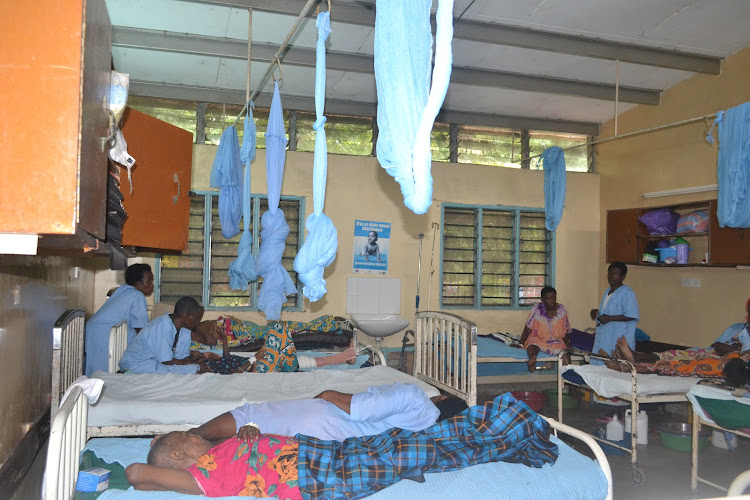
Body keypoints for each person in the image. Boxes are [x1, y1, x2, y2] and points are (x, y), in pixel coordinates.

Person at [126, 392, 555, 498]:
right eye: (187, 437)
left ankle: (502, 423)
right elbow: (137, 475)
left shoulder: (219, 452)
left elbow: (241, 441)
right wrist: (159, 457)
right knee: (414, 452)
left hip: (318, 452)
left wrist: (250, 433)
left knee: (399, 441)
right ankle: (513, 433)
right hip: (315, 476)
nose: (195, 433)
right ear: (180, 456)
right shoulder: (205, 475)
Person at [178, 383, 455, 443]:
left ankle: (191, 437)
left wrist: (329, 394)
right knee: (252, 435)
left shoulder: (416, 396)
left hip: (326, 419)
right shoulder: (427, 429)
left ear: (441, 397)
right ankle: (200, 443)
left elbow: (363, 408)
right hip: (333, 440)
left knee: (253, 414)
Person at [84, 263, 154, 376]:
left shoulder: (125, 290)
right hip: (104, 332)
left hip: (97, 329)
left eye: (152, 281)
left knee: (97, 368)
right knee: (102, 371)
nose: (152, 285)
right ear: (137, 283)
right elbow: (142, 330)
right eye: (148, 281)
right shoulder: (137, 296)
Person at [601, 336, 750, 387]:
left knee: (678, 366)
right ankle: (632, 359)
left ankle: (627, 367)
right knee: (679, 356)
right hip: (723, 359)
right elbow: (718, 346)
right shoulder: (741, 332)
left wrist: (735, 353)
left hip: (729, 367)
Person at [119, 297, 208, 374]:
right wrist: (194, 365)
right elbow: (166, 361)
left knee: (195, 370)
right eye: (196, 320)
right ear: (185, 315)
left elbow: (183, 357)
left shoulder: (185, 330)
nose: (197, 323)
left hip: (157, 363)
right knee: (193, 370)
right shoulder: (163, 325)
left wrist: (195, 361)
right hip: (138, 363)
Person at [590, 261, 639, 366]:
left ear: (623, 276)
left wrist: (609, 318)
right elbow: (606, 312)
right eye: (610, 273)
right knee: (600, 365)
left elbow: (631, 315)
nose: (612, 276)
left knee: (616, 366)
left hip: (618, 336)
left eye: (616, 274)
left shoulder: (627, 293)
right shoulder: (608, 291)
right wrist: (596, 313)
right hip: (605, 335)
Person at [520, 286, 572, 372]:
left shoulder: (561, 310)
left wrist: (568, 344)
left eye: (553, 297)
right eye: (548, 298)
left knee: (565, 354)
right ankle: (532, 359)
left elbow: (565, 329)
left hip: (556, 341)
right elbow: (528, 328)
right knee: (532, 343)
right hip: (539, 338)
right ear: (542, 300)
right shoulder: (537, 309)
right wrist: (521, 344)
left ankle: (570, 377)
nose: (552, 300)